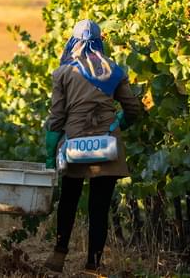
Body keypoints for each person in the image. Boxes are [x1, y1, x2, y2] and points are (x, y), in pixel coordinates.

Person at [43, 20, 142, 275]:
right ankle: (93, 266)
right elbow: (133, 109)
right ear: (100, 42)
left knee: (69, 200)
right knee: (99, 207)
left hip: (76, 145)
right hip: (108, 146)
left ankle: (58, 255)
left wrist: (50, 152)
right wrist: (118, 124)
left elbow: (56, 118)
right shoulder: (115, 71)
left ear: (73, 42)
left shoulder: (64, 73)